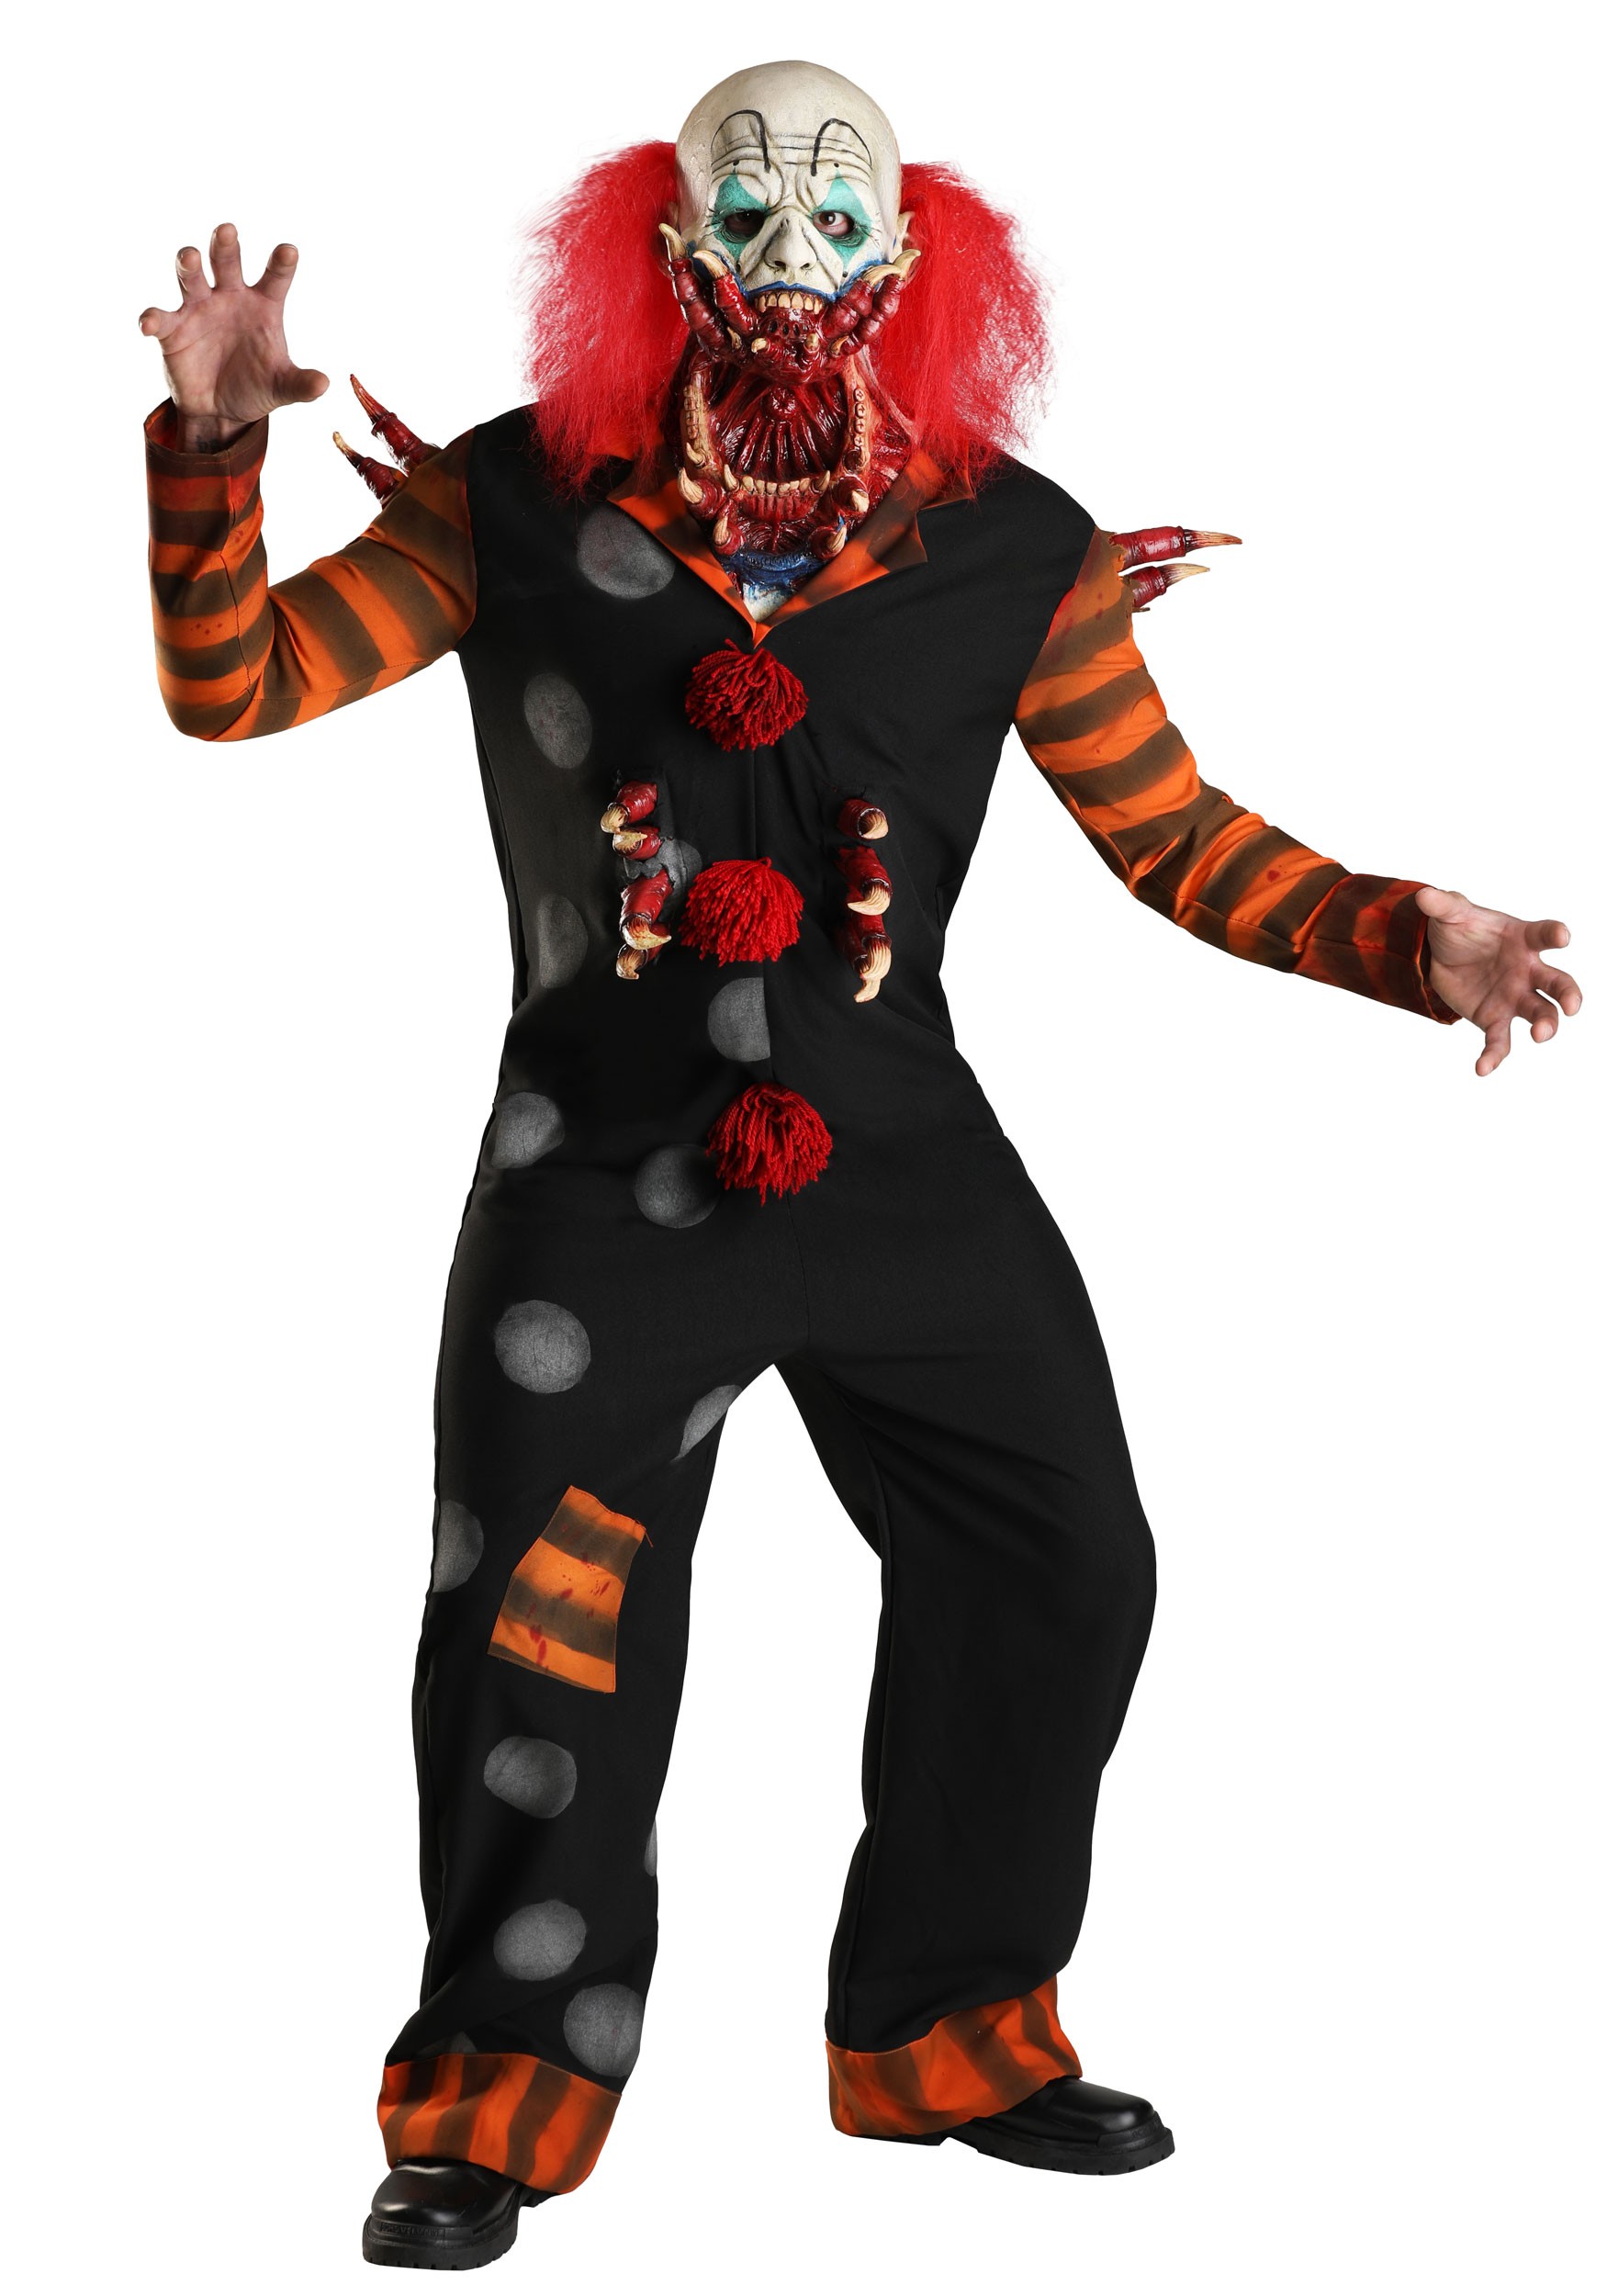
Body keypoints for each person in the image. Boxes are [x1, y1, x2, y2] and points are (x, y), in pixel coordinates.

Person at [140, 58, 1580, 2273]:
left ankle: (945, 2029)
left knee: (1059, 1562)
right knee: (532, 1636)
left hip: (904, 1165)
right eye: (748, 211)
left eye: (835, 215)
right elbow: (236, 685)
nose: (790, 253)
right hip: (595, 1183)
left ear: (911, 258)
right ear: (665, 247)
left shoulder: (1009, 546)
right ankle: (496, 2090)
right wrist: (211, 452)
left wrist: (1413, 937)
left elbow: (1171, 834)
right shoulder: (512, 503)